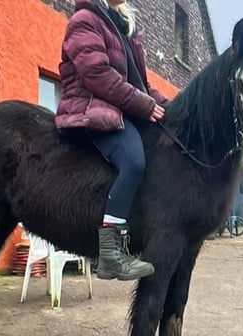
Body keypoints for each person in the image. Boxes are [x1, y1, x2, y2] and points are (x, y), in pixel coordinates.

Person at [55, 0, 169, 281]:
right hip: (91, 108)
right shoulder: (85, 20)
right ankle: (109, 256)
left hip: (121, 109)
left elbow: (141, 86)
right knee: (133, 161)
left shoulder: (121, 28)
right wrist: (143, 105)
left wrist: (178, 109)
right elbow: (97, 76)